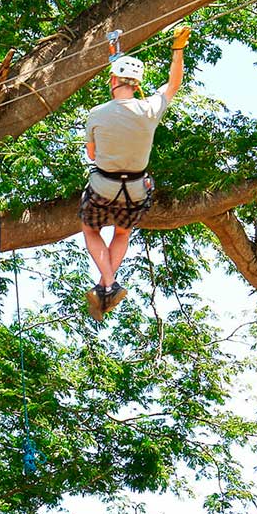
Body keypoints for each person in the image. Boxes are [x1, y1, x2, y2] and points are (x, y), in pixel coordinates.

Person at [80, 26, 191, 321]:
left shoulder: (96, 113)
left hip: (103, 186)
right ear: (137, 83)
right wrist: (177, 49)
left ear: (113, 80)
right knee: (122, 231)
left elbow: (91, 155)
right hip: (136, 190)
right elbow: (174, 84)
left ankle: (109, 282)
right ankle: (105, 286)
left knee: (90, 230)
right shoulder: (150, 109)